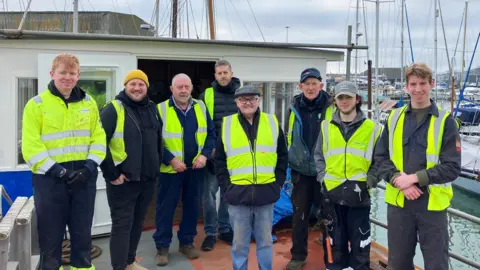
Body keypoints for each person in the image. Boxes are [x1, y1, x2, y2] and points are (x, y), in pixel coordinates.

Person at [21, 53, 106, 270]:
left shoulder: (89, 103)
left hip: (83, 177)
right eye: (62, 73)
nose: (67, 77)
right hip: (50, 180)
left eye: (72, 73)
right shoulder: (36, 105)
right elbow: (30, 146)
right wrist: (58, 171)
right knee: (50, 236)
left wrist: (89, 167)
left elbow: (98, 137)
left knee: (82, 234)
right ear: (52, 74)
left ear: (78, 76)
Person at [373, 63, 461, 270]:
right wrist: (398, 180)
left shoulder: (446, 121)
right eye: (413, 84)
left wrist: (413, 179)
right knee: (398, 263)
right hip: (399, 204)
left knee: (436, 264)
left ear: (431, 84)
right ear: (406, 87)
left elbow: (452, 167)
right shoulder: (394, 118)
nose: (418, 89)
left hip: (432, 206)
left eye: (423, 83)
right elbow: (380, 157)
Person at [215, 85, 288, 270]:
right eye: (243, 99)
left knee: (265, 242)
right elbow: (219, 161)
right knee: (239, 244)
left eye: (252, 98)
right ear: (237, 102)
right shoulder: (227, 124)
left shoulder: (272, 122)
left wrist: (278, 183)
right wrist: (226, 187)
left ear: (259, 100)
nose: (248, 102)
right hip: (238, 196)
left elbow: (282, 155)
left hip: (266, 195)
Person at [313, 81, 382, 270]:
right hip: (332, 197)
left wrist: (370, 181)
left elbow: (381, 161)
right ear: (335, 101)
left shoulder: (373, 129)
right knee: (335, 248)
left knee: (361, 249)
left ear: (357, 99)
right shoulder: (326, 127)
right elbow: (318, 155)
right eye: (340, 97)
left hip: (359, 197)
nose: (344, 101)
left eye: (348, 97)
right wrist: (322, 176)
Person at [100, 70, 163, 270]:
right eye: (132, 84)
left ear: (146, 87)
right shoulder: (113, 109)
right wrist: (112, 174)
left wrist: (156, 169)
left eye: (141, 84)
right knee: (122, 226)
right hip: (123, 182)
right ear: (125, 86)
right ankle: (119, 266)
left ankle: (129, 262)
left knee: (137, 224)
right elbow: (99, 144)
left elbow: (157, 141)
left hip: (147, 180)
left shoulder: (152, 108)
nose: (137, 88)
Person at [153, 73, 216, 266]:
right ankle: (162, 247)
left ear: (191, 88)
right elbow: (153, 141)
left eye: (186, 87)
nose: (183, 90)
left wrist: (205, 155)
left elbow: (211, 135)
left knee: (191, 207)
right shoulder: (160, 109)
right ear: (172, 89)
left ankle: (186, 243)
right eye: (179, 87)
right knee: (166, 209)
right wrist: (170, 159)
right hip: (170, 170)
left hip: (195, 169)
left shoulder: (201, 106)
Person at [286, 68, 335, 270]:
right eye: (307, 83)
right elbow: (289, 136)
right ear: (300, 86)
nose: (311, 87)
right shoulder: (293, 107)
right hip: (301, 172)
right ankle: (298, 255)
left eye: (314, 83)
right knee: (300, 216)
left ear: (321, 86)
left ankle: (331, 258)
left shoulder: (332, 107)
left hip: (326, 172)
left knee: (329, 217)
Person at [200, 60, 239, 251]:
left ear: (231, 73)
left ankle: (225, 229)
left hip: (234, 156)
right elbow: (203, 124)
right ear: (215, 76)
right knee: (208, 195)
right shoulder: (206, 95)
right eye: (219, 73)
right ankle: (209, 232)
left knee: (227, 194)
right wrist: (210, 150)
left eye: (226, 72)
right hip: (212, 155)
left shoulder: (242, 94)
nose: (223, 76)